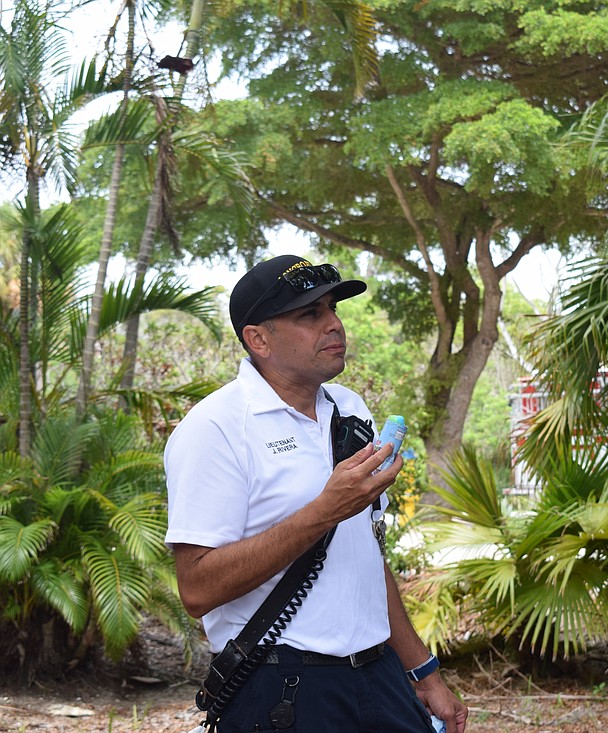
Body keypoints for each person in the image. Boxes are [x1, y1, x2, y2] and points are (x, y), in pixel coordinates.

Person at [165, 255, 468, 733]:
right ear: (257, 339)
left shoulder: (350, 409)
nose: (333, 324)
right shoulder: (215, 428)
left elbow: (364, 555)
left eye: (332, 308)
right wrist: (324, 512)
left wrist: (423, 671)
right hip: (281, 689)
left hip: (379, 677)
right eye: (309, 315)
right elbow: (197, 588)